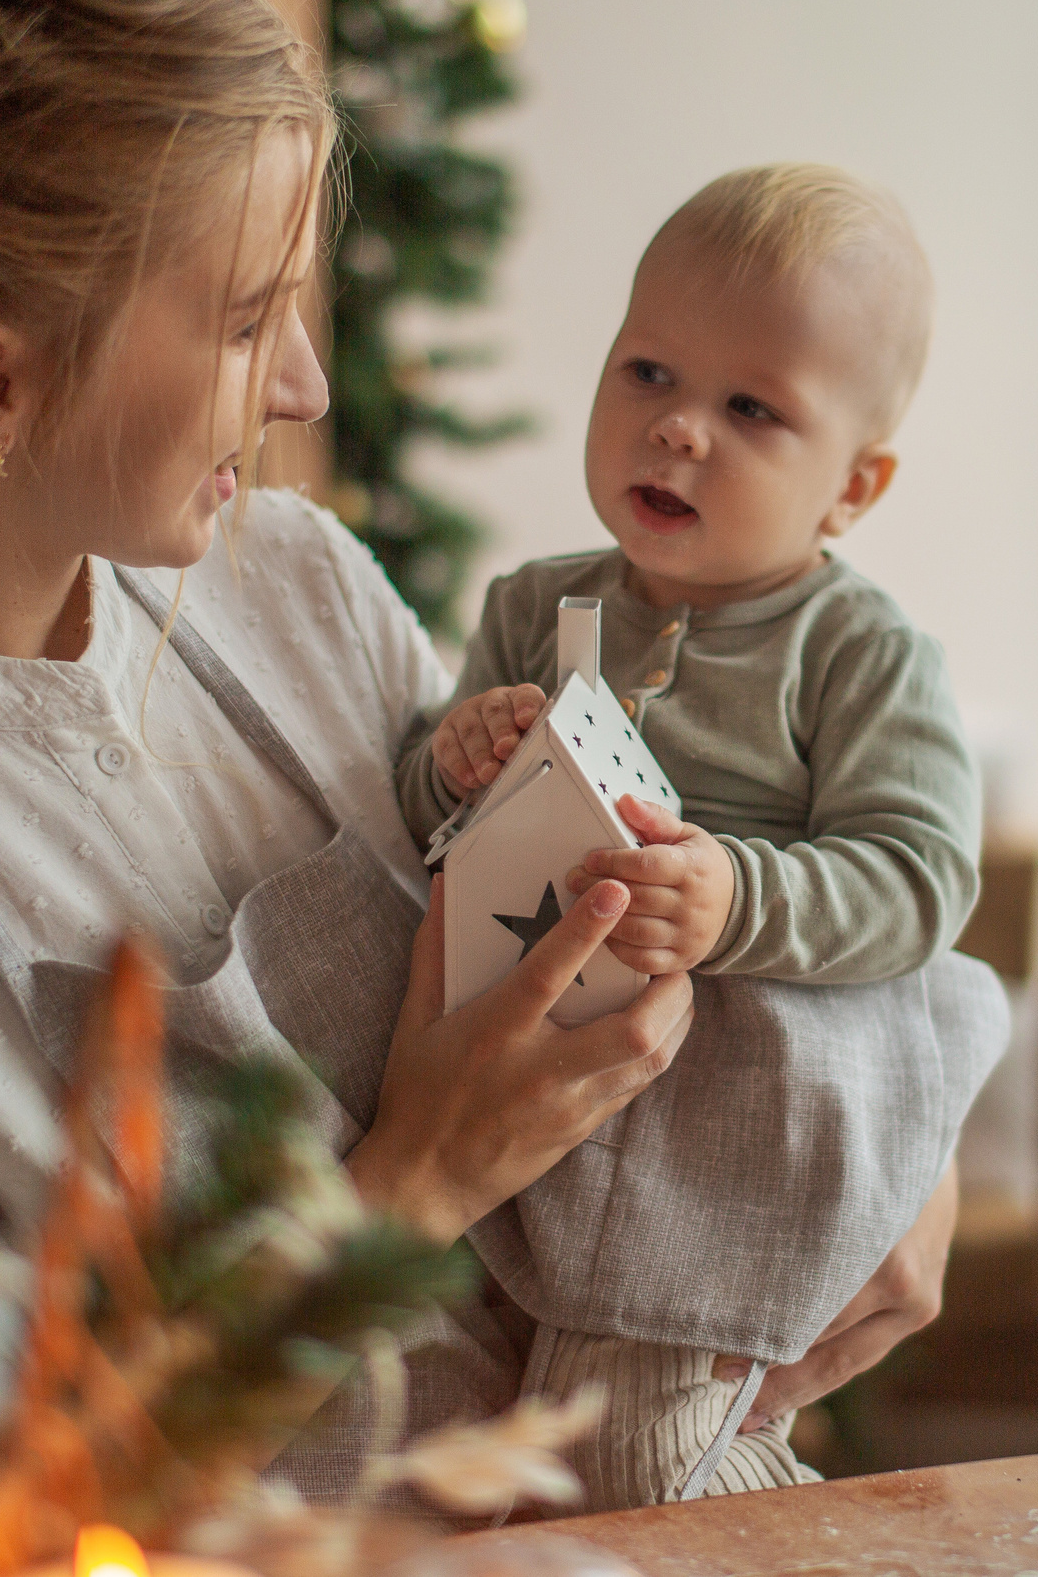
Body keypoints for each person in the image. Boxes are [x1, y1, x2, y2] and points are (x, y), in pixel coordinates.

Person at [0, 0, 960, 1495]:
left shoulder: (293, 584)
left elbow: (681, 896)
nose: (309, 390)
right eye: (252, 322)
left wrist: (901, 1149)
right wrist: (411, 1179)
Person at [395, 166, 983, 1507]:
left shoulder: (861, 653)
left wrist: (737, 896)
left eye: (751, 410)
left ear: (854, 486)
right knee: (521, 1449)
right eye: (648, 373)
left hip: (743, 1115)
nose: (677, 432)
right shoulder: (534, 608)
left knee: (630, 1453)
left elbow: (922, 878)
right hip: (545, 1086)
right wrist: (453, 763)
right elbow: (419, 830)